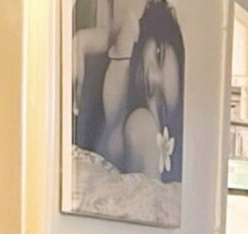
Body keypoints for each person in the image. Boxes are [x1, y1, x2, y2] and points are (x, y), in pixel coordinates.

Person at [72, 0, 184, 182]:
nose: (151, 78)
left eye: (160, 100)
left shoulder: (143, 125)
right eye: (158, 55)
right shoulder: (128, 36)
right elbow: (85, 41)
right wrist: (82, 44)